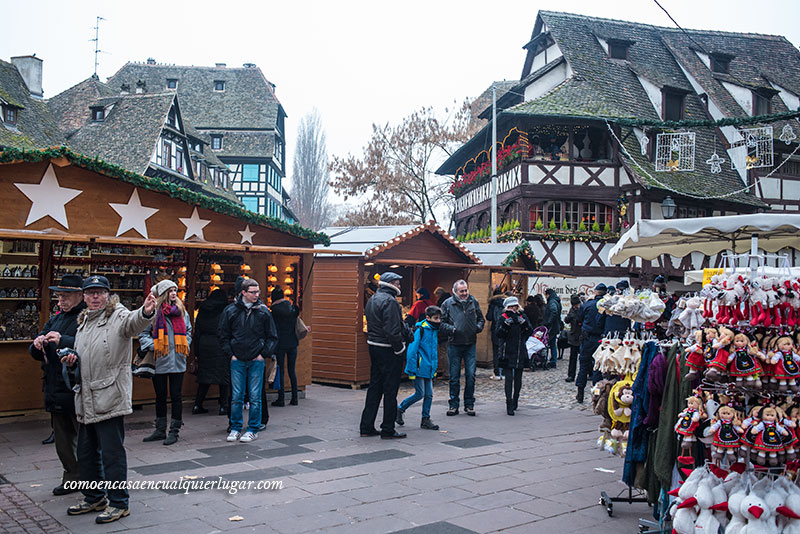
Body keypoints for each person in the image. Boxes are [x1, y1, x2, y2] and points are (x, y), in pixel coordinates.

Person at [61, 275, 156, 524]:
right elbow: (87, 354)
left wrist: (145, 311)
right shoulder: (83, 322)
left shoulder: (118, 316)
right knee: (86, 452)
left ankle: (119, 502)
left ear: (107, 295)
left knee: (112, 454)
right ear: (84, 296)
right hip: (86, 397)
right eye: (90, 292)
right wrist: (72, 356)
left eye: (99, 292)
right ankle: (94, 497)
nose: (94, 297)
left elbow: (133, 324)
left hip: (110, 396)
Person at [29, 274, 86, 496]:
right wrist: (37, 344)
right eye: (59, 296)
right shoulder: (56, 317)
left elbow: (88, 346)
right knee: (62, 440)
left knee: (85, 438)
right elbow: (35, 350)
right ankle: (72, 478)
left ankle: (91, 479)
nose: (60, 300)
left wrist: (63, 340)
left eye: (65, 296)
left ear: (79, 295)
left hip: (75, 385)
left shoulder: (85, 317)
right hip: (55, 386)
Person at [219, 279, 278, 443]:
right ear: (243, 293)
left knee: (255, 397)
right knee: (236, 396)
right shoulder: (230, 311)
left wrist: (263, 354)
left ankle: (253, 428)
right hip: (237, 358)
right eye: (253, 292)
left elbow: (272, 336)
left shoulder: (263, 311)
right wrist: (231, 354)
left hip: (255, 359)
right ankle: (236, 427)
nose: (256, 295)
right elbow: (223, 335)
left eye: (257, 292)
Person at [138, 280, 191, 446]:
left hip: (177, 360)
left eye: (175, 290)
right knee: (160, 396)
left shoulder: (182, 312)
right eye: (170, 291)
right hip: (159, 360)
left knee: (176, 396)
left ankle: (174, 431)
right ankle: (160, 430)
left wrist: (185, 343)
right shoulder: (153, 313)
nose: (174, 293)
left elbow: (188, 331)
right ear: (162, 294)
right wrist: (154, 345)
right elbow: (142, 333)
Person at [360, 272, 410, 439]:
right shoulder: (391, 302)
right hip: (388, 348)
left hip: (374, 346)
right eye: (397, 283)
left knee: (375, 387)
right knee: (390, 390)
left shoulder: (373, 299)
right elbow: (392, 331)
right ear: (390, 284)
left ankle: (366, 426)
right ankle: (388, 428)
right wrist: (400, 349)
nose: (399, 286)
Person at [441, 280, 484, 416]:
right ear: (456, 292)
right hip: (454, 344)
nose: (465, 293)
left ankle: (469, 404)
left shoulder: (473, 302)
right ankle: (453, 404)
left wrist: (477, 328)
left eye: (466, 290)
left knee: (471, 375)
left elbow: (481, 319)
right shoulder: (447, 304)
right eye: (462, 291)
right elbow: (441, 322)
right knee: (454, 377)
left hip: (470, 343)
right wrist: (452, 329)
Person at [396, 306, 443, 431]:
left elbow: (432, 351)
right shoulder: (421, 330)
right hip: (418, 367)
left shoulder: (434, 330)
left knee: (429, 394)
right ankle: (400, 409)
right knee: (420, 393)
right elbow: (412, 350)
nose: (438, 321)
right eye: (436, 318)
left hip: (428, 367)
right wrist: (411, 368)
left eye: (439, 318)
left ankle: (425, 419)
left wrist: (434, 368)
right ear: (428, 318)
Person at [192, 288, 230, 416]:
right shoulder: (226, 310)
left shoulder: (203, 309)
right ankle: (224, 406)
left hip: (204, 344)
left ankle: (198, 404)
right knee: (224, 376)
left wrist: (196, 352)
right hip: (220, 344)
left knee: (204, 377)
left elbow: (197, 331)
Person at [495, 297, 533, 415]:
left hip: (519, 350)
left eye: (515, 306)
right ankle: (509, 403)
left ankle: (515, 399)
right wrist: (506, 326)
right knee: (509, 379)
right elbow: (498, 334)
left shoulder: (522, 316)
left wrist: (525, 324)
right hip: (507, 351)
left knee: (518, 378)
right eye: (511, 307)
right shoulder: (503, 318)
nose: (513, 309)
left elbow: (530, 331)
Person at [575, 283, 607, 403]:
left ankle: (580, 393)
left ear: (595, 292)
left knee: (583, 366)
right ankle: (597, 395)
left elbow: (579, 319)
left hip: (587, 338)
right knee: (597, 368)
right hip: (600, 339)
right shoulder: (606, 306)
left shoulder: (588, 304)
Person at [269, 286, 301, 407]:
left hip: (280, 344)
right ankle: (295, 398)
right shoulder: (292, 308)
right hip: (293, 343)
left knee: (280, 370)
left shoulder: (274, 312)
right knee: (292, 370)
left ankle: (281, 398)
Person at [486, 287, 507, 380]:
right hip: (506, 329)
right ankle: (504, 372)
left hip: (495, 329)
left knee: (496, 351)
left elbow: (489, 317)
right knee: (504, 351)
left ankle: (497, 373)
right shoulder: (506, 303)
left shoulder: (492, 303)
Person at [542, 288, 563, 369]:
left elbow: (554, 312)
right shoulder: (556, 301)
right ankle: (553, 360)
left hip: (551, 327)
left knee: (548, 343)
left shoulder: (552, 302)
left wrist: (548, 322)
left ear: (548, 295)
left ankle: (550, 360)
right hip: (555, 326)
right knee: (553, 344)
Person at [564, 294, 583, 382]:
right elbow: (566, 320)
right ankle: (571, 375)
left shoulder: (582, 309)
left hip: (581, 336)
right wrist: (570, 317)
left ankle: (586, 374)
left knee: (584, 358)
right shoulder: (572, 310)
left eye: (576, 305)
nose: (575, 307)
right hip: (573, 336)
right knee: (573, 357)